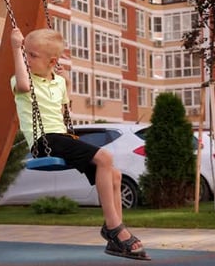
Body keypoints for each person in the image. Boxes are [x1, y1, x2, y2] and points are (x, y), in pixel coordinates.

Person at [10, 27, 150, 261]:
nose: (27, 58)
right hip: (44, 141)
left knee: (114, 174)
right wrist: (16, 48)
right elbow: (23, 86)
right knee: (105, 157)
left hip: (62, 137)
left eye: (33, 55)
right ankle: (114, 228)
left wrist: (66, 81)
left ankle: (113, 232)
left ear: (52, 61)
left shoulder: (58, 82)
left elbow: (64, 108)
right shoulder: (20, 78)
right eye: (27, 53)